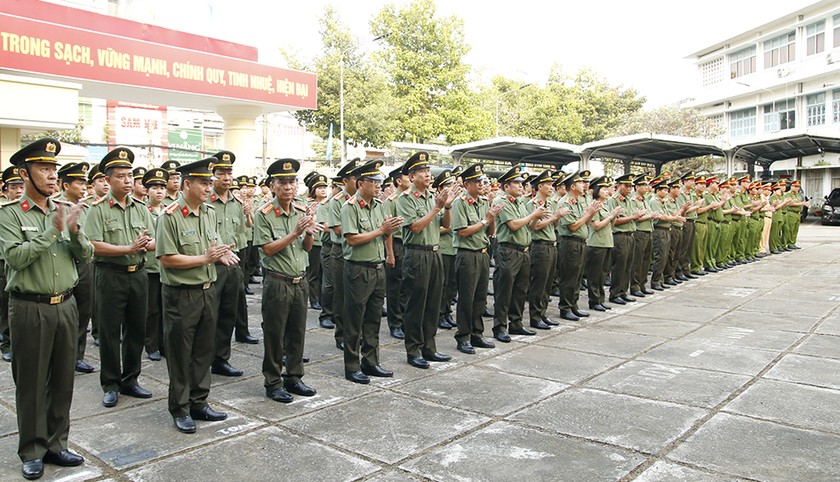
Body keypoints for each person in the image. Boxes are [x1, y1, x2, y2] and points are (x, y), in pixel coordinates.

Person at [0, 138, 94, 479]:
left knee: (63, 381)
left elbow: (85, 257)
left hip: (65, 305)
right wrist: (52, 232)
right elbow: (15, 258)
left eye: (54, 168)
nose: (53, 175)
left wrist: (74, 231)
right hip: (30, 307)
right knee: (31, 382)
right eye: (44, 168)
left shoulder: (62, 210)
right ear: (24, 174)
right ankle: (32, 449)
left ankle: (57, 444)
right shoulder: (10, 214)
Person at [156, 157, 235, 434]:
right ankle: (180, 407)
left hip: (207, 291)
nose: (208, 187)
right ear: (186, 183)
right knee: (180, 353)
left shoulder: (209, 212)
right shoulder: (170, 215)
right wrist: (205, 258)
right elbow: (166, 258)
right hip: (181, 295)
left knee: (204, 350)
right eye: (203, 182)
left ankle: (199, 401)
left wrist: (221, 253)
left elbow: (212, 246)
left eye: (209, 182)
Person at [85, 147, 156, 408]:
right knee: (110, 331)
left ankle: (131, 379)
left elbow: (152, 239)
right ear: (108, 180)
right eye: (121, 176)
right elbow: (93, 244)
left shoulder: (141, 208)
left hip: (138, 275)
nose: (127, 181)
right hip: (110, 275)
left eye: (130, 176)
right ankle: (111, 383)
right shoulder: (98, 209)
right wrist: (128, 248)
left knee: (137, 329)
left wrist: (145, 245)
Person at [254, 158, 321, 402]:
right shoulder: (264, 214)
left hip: (299, 280)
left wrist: (309, 232)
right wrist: (295, 232)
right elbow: (268, 249)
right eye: (282, 182)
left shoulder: (302, 211)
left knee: (297, 332)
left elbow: (306, 247)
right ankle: (273, 381)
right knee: (275, 334)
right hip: (277, 281)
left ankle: (294, 377)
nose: (288, 186)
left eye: (292, 181)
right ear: (272, 185)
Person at [340, 160, 402, 384]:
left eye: (379, 182)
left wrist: (389, 246)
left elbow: (385, 233)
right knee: (355, 319)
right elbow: (353, 239)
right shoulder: (350, 207)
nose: (378, 186)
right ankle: (352, 365)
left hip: (377, 268)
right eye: (373, 182)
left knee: (373, 319)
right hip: (358, 269)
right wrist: (382, 230)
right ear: (360, 184)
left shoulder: (380, 205)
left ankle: (371, 361)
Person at [397, 152, 458, 368]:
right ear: (411, 177)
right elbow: (414, 227)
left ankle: (429, 347)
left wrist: (447, 207)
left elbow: (446, 226)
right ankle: (413, 350)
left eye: (428, 171)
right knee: (417, 304)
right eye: (422, 172)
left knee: (433, 303)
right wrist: (437, 208)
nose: (428, 175)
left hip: (434, 253)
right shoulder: (405, 199)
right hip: (416, 254)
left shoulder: (433, 197)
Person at [206, 151, 250, 378]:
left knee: (227, 314)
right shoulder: (204, 201)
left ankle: (221, 359)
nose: (226, 177)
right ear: (212, 175)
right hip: (211, 265)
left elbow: (241, 234)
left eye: (229, 172)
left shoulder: (237, 203)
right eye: (221, 173)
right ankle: (203, 358)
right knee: (208, 315)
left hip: (233, 264)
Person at [450, 164, 501, 354]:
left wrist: (492, 215)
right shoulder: (460, 203)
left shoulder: (483, 201)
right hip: (467, 254)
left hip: (482, 253)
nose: (482, 184)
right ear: (467, 184)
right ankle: (463, 336)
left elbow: (491, 232)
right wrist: (486, 220)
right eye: (477, 181)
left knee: (480, 297)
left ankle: (477, 334)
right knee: (466, 298)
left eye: (483, 181)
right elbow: (462, 232)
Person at [56, 162, 96, 374]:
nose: (83, 187)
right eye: (79, 182)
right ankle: (63, 356)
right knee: (65, 316)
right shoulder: (56, 207)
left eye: (84, 182)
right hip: (64, 263)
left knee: (83, 311)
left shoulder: (88, 209)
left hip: (86, 264)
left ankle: (78, 355)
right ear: (65, 185)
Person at [327, 159, 365, 349]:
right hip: (342, 252)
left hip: (361, 252)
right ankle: (341, 335)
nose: (359, 181)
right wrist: (366, 231)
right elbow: (338, 230)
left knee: (360, 298)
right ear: (345, 181)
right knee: (342, 296)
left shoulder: (365, 201)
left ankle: (358, 334)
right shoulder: (337, 202)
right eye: (355, 178)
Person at [528, 170, 569, 329]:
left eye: (552, 184)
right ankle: (535, 316)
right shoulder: (533, 204)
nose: (552, 187)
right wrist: (555, 217)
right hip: (540, 246)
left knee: (547, 283)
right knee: (539, 283)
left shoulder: (552, 203)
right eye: (549, 184)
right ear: (540, 186)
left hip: (551, 245)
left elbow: (554, 226)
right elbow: (535, 227)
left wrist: (557, 218)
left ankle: (542, 313)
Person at [557, 171, 599, 321]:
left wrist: (591, 214)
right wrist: (588, 214)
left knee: (577, 276)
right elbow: (573, 227)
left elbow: (585, 223)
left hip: (581, 242)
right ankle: (565, 307)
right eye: (581, 183)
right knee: (569, 276)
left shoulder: (579, 201)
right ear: (573, 186)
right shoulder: (565, 203)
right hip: (570, 243)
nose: (584, 185)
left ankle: (573, 305)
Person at [142, 168, 169, 361]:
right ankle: (151, 344)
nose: (159, 191)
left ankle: (164, 343)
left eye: (162, 187)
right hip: (150, 266)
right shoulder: (142, 210)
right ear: (147, 191)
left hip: (167, 267)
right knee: (152, 309)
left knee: (166, 307)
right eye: (154, 187)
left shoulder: (170, 209)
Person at [0, 165, 26, 362]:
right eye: (13, 187)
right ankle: (6, 343)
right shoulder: (4, 213)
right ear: (5, 191)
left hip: (22, 263)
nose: (18, 191)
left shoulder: (26, 212)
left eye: (21, 186)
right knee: (4, 305)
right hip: (3, 263)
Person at [586, 176, 620, 311]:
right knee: (595, 275)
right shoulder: (594, 206)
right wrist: (611, 216)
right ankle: (594, 301)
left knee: (603, 273)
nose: (607, 191)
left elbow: (611, 225)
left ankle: (600, 299)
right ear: (596, 190)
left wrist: (614, 216)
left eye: (607, 189)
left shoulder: (604, 206)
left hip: (606, 242)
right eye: (604, 189)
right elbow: (596, 226)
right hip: (596, 243)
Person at [383, 165, 409, 339]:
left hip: (410, 246)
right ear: (399, 181)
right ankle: (395, 323)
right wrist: (390, 253)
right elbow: (388, 230)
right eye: (408, 176)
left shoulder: (412, 198)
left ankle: (407, 320)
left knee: (408, 287)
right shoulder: (392, 201)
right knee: (395, 287)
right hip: (397, 244)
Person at [608, 174, 643, 305]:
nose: (629, 189)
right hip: (620, 236)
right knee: (619, 266)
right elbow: (614, 221)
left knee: (628, 265)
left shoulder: (629, 200)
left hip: (630, 235)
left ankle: (623, 291)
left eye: (630, 186)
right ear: (618, 186)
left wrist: (637, 216)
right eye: (626, 186)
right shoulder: (614, 200)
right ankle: (615, 293)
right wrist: (633, 217)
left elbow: (635, 216)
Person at [435, 170, 458, 330]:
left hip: (454, 247)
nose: (451, 188)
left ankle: (447, 312)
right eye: (447, 185)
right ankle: (439, 314)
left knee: (451, 285)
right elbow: (437, 228)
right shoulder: (438, 204)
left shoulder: (455, 203)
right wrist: (449, 228)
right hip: (443, 248)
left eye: (452, 185)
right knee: (441, 285)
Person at [305, 173, 328, 310]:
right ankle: (314, 298)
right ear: (314, 190)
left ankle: (322, 297)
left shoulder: (330, 203)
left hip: (325, 241)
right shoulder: (308, 204)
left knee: (324, 273)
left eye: (325, 187)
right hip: (314, 241)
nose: (323, 190)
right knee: (314, 272)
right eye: (319, 187)